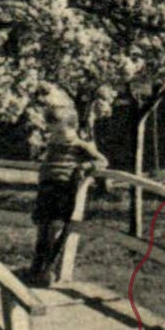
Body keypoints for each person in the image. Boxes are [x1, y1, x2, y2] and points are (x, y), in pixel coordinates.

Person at [27, 84, 110, 287]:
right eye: (52, 132)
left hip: (63, 189)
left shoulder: (80, 145)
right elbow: (43, 159)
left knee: (57, 228)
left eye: (59, 132)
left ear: (72, 129)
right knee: (42, 228)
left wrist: (85, 166)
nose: (55, 136)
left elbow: (102, 161)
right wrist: (39, 154)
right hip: (46, 187)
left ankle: (49, 270)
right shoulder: (53, 144)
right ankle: (36, 268)